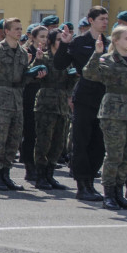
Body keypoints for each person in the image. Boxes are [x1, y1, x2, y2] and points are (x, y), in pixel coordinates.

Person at [0, 17, 46, 191]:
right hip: (0, 97)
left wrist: (35, 69)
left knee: (13, 140)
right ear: (6, 31)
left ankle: (6, 174)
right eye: (16, 29)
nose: (19, 32)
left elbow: (22, 78)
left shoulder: (22, 52)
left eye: (21, 29)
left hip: (17, 98)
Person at [54, 6, 110, 201]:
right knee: (81, 141)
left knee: (99, 143)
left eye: (106, 19)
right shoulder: (79, 42)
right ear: (91, 20)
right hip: (85, 96)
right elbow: (59, 65)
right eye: (101, 18)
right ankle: (82, 184)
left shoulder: (109, 43)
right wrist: (63, 44)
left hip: (104, 98)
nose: (105, 22)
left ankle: (91, 182)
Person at [81, 25, 127, 209]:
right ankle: (109, 193)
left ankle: (119, 192)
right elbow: (89, 73)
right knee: (114, 154)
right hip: (113, 111)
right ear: (116, 40)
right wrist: (96, 54)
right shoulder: (107, 59)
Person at [32, 29, 71, 190]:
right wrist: (37, 61)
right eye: (58, 40)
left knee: (58, 142)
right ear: (51, 41)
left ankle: (50, 174)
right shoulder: (45, 57)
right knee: (44, 140)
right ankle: (40, 175)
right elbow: (33, 74)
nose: (61, 43)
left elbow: (73, 80)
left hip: (62, 104)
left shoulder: (67, 59)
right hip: (46, 102)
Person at [20, 25, 48, 180]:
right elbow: (21, 75)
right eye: (42, 36)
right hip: (29, 94)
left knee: (42, 133)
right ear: (33, 38)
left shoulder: (48, 53)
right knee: (30, 132)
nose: (44, 40)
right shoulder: (27, 52)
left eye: (46, 37)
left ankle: (40, 165)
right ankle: (29, 166)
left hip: (44, 96)